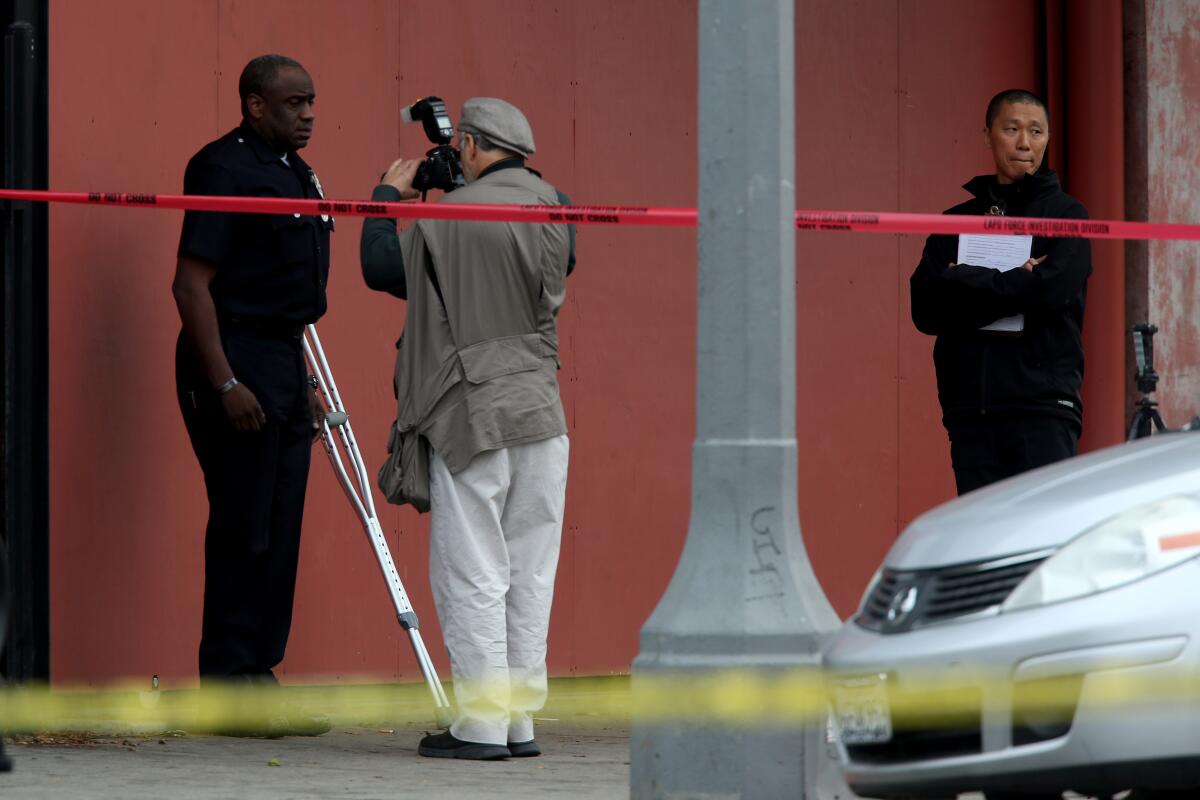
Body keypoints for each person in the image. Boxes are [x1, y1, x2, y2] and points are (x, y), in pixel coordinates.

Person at [361, 97, 576, 760]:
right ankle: (520, 721)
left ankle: (480, 723)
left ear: (474, 147)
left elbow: (381, 269)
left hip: (470, 413)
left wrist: (387, 196)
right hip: (541, 410)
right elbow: (558, 264)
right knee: (530, 568)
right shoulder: (556, 207)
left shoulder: (444, 217)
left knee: (475, 567)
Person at [172, 54, 332, 735]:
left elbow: (290, 296)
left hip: (282, 358)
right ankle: (228, 686)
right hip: (234, 355)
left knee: (281, 527)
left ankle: (258, 677)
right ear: (254, 104)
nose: (308, 114)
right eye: (294, 102)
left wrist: (302, 377)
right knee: (245, 526)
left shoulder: (296, 173)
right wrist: (225, 381)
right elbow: (190, 285)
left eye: (312, 101)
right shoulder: (222, 168)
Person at [910, 89, 1092, 495]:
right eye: (1011, 129)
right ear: (988, 136)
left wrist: (962, 280)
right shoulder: (955, 221)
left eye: (1036, 131)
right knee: (984, 543)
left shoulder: (1067, 216)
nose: (1025, 143)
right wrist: (1017, 280)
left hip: (1042, 408)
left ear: (1047, 138)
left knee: (1042, 539)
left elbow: (1051, 293)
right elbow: (925, 309)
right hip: (970, 410)